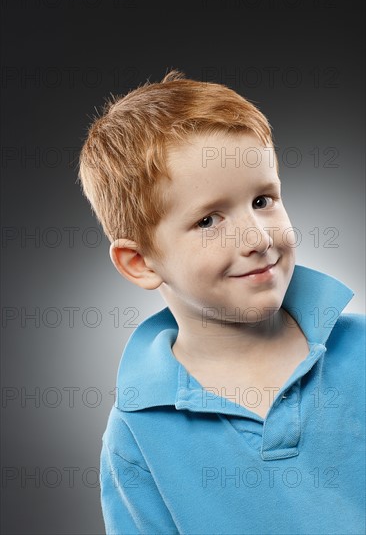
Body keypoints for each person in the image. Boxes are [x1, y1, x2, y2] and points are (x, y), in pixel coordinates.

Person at [78, 69, 365, 534]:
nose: (256, 238)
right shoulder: (136, 439)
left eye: (262, 200)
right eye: (209, 220)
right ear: (140, 262)